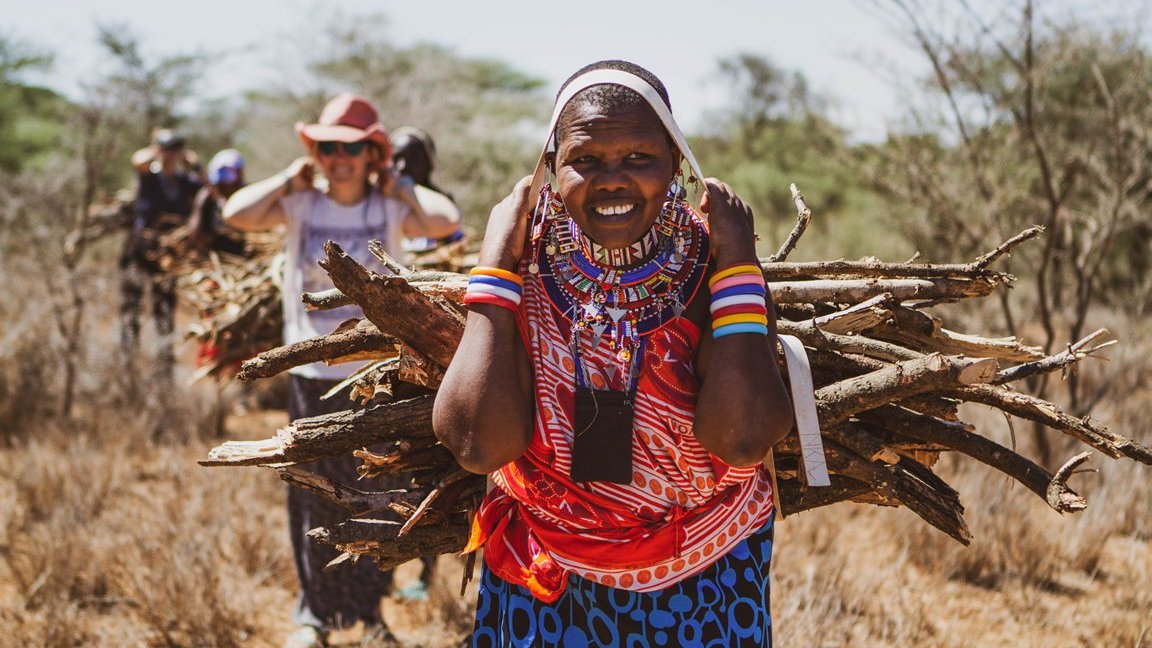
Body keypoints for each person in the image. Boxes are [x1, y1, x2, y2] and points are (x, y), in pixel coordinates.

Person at [433, 60, 795, 647]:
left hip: (705, 571)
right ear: (550, 169)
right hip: (547, 572)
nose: (613, 180)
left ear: (677, 164)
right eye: (586, 161)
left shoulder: (713, 266)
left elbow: (745, 438)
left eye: (639, 158)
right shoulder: (520, 268)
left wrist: (737, 266)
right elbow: (477, 444)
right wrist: (497, 255)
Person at [222, 92, 459, 648]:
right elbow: (234, 214)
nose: (339, 157)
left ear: (372, 152)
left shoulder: (390, 206)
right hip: (311, 373)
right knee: (313, 492)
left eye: (352, 147)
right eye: (328, 147)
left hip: (378, 372)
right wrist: (288, 177)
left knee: (379, 488)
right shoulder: (301, 204)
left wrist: (398, 185)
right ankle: (316, 615)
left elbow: (447, 220)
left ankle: (368, 613)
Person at [121, 128, 203, 385]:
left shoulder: (183, 181)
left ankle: (164, 375)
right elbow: (138, 160)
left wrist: (195, 164)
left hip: (167, 256)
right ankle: (127, 369)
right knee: (130, 310)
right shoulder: (149, 176)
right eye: (168, 148)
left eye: (175, 148)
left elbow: (207, 186)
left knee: (165, 312)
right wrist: (159, 147)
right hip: (139, 249)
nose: (171, 154)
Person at [391, 126, 467, 269]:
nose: (402, 167)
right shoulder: (377, 205)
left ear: (429, 164)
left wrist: (407, 189)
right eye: (396, 158)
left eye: (412, 159)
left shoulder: (444, 211)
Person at [190, 148, 248, 257]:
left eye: (231, 184)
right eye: (222, 185)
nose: (226, 188)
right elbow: (196, 235)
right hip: (214, 257)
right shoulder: (208, 198)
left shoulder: (249, 196)